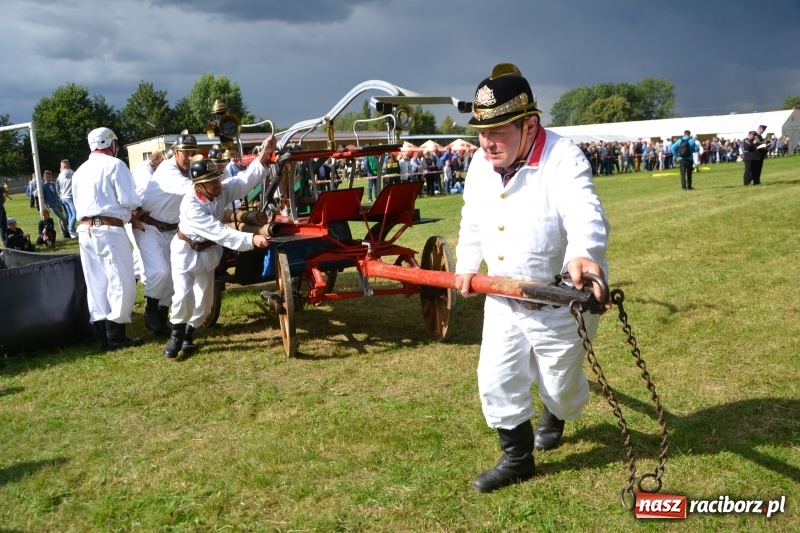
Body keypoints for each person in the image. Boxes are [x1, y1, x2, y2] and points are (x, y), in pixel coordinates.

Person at [454, 63, 610, 494]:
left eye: (499, 131)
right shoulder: (479, 163)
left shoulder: (563, 156)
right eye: (482, 132)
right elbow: (472, 219)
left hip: (561, 299)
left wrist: (584, 252)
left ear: (530, 125)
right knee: (496, 377)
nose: (487, 143)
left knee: (561, 389)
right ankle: (518, 459)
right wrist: (466, 266)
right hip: (502, 295)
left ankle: (555, 413)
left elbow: (585, 209)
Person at [163, 135, 276, 359]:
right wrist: (251, 240)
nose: (219, 183)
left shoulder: (218, 190)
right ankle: (175, 336)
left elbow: (243, 182)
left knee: (205, 302)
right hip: (185, 252)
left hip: (207, 253)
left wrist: (262, 157)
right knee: (183, 297)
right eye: (213, 181)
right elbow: (220, 232)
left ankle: (189, 333)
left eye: (218, 178)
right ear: (199, 185)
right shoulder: (191, 205)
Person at [73, 126, 144, 351]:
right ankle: (116, 335)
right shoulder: (116, 165)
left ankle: (103, 336)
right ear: (110, 144)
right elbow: (129, 199)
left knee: (96, 283)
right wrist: (131, 212)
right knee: (122, 280)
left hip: (85, 230)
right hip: (109, 229)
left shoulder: (79, 171)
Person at [134, 132, 198, 337]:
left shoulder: (188, 172)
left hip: (171, 230)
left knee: (172, 276)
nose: (189, 158)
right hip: (148, 227)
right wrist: (213, 186)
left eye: (193, 153)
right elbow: (190, 189)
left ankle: (161, 318)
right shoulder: (169, 170)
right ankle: (150, 308)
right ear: (175, 153)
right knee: (160, 271)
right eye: (185, 153)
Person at [41, 170, 71, 238]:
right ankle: (67, 232)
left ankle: (63, 234)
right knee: (63, 218)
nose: (48, 178)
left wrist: (59, 201)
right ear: (44, 178)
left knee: (60, 219)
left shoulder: (53, 184)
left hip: (58, 203)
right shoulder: (44, 186)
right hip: (52, 205)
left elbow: (56, 194)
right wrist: (47, 205)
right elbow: (44, 197)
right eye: (47, 177)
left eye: (50, 177)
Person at [57, 159, 77, 237]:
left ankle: (72, 229)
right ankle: (71, 230)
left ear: (63, 166)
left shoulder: (59, 175)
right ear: (67, 165)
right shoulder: (73, 173)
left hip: (63, 197)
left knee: (69, 214)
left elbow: (57, 186)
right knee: (75, 214)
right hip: (70, 196)